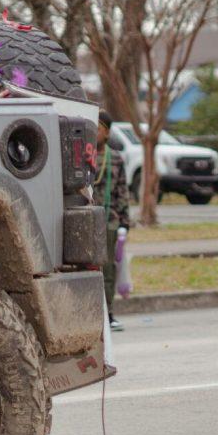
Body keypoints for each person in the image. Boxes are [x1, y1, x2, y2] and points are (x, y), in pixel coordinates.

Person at [92, 110, 130, 332]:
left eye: (98, 130)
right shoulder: (81, 156)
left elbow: (122, 191)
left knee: (108, 270)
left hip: (109, 220)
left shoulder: (114, 158)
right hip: (86, 220)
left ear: (106, 133)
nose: (93, 134)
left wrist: (125, 222)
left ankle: (109, 313)